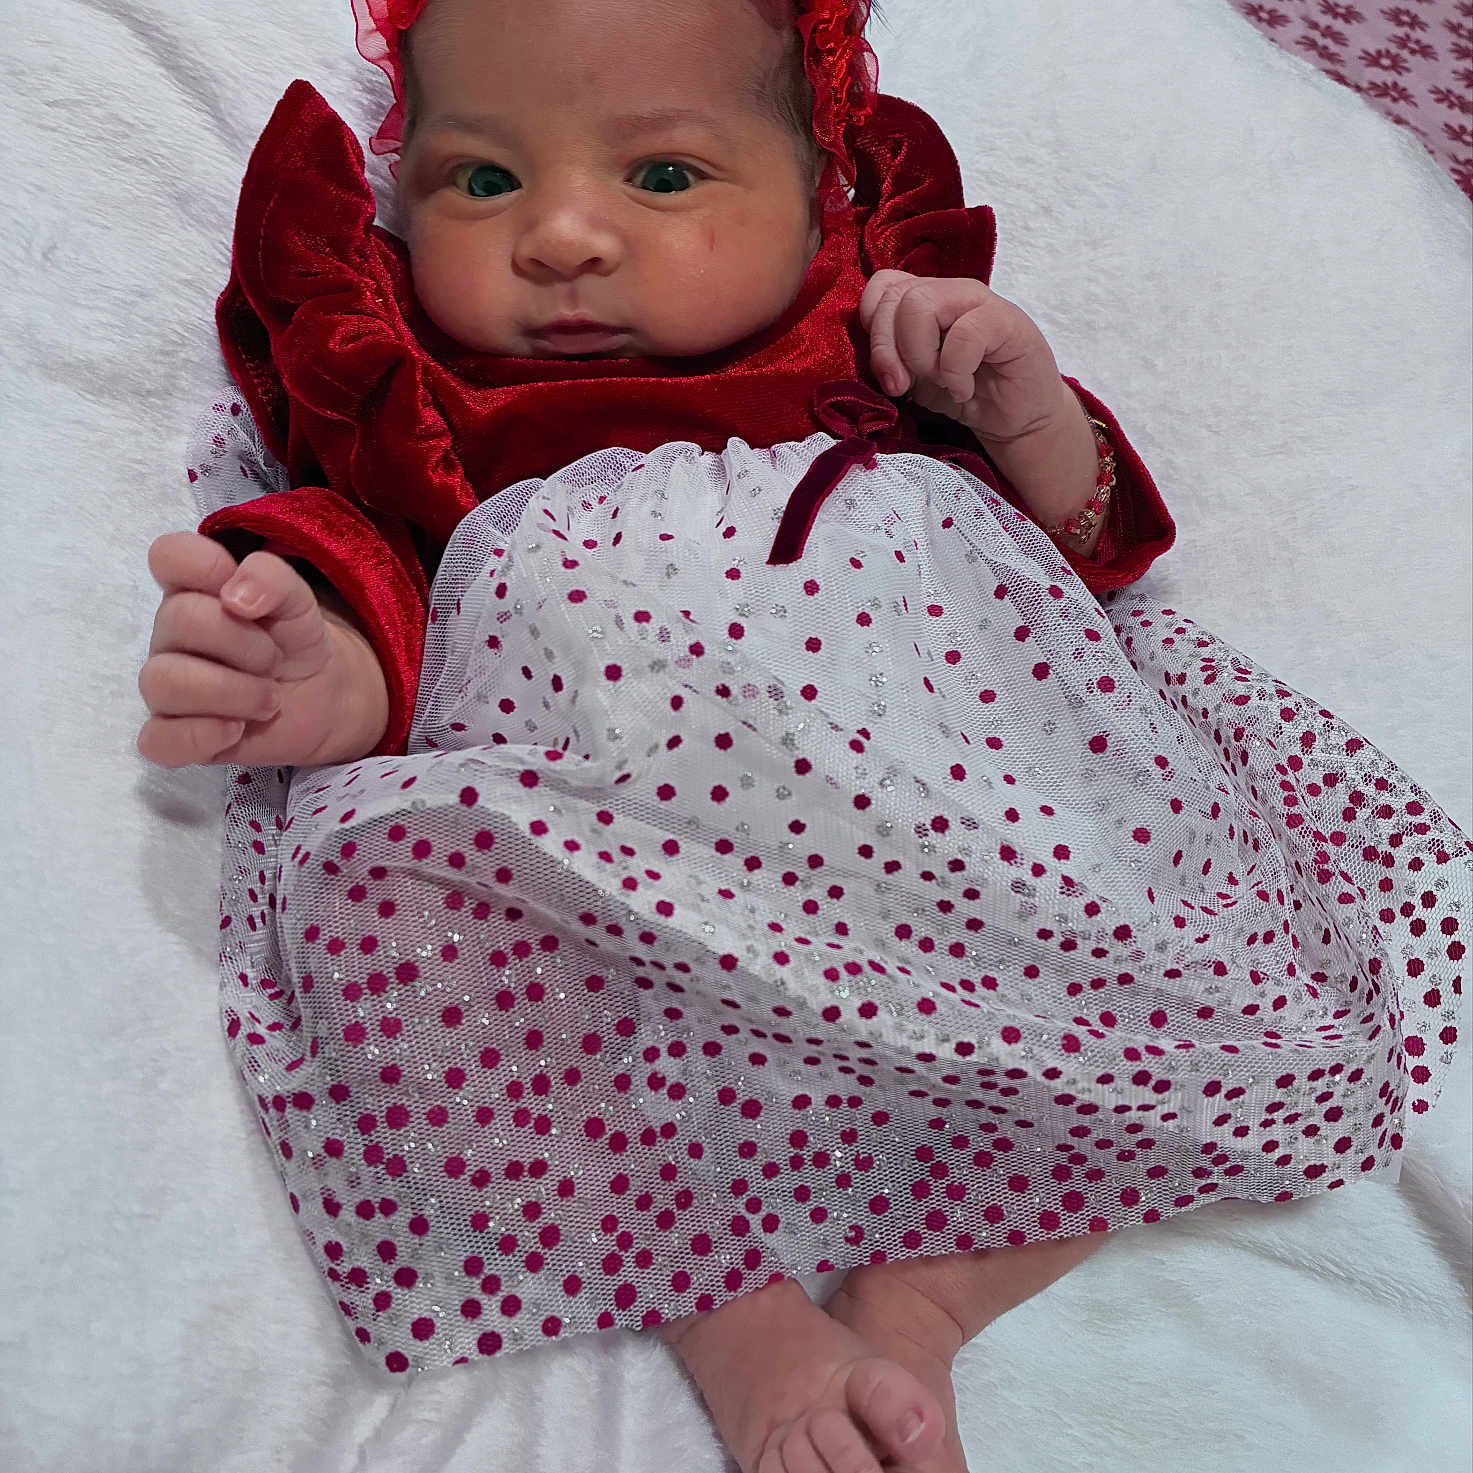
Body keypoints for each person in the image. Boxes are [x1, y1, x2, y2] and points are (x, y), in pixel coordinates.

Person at [135, 3, 1469, 1470]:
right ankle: (738, 1315)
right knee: (388, 912)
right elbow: (392, 601)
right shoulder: (445, 420)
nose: (563, 234)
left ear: (823, 187)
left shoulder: (880, 366)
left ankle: (925, 1300)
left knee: (1236, 985)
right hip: (613, 907)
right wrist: (309, 671)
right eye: (483, 180)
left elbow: (1083, 558)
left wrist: (1024, 415)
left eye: (660, 177)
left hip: (951, 859)